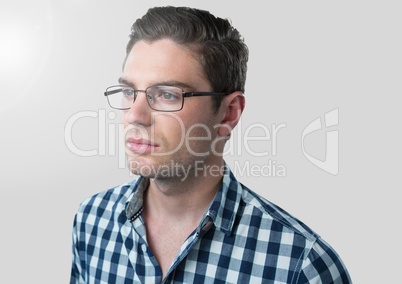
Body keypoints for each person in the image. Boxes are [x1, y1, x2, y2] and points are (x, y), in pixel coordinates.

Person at [70, 6, 351, 283]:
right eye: (129, 91)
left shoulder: (303, 265)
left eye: (167, 95)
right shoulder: (91, 220)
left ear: (228, 113)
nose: (134, 115)